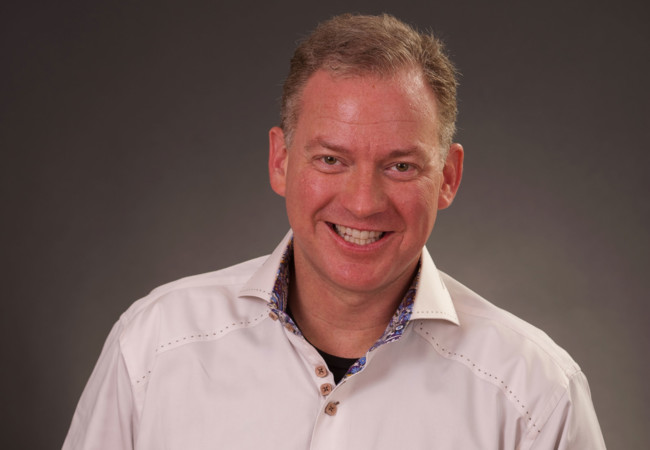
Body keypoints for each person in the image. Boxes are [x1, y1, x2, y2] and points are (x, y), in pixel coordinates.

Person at [63, 13, 606, 449]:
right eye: (330, 159)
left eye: (400, 166)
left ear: (448, 177)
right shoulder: (154, 345)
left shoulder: (536, 396)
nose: (363, 202)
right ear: (280, 161)